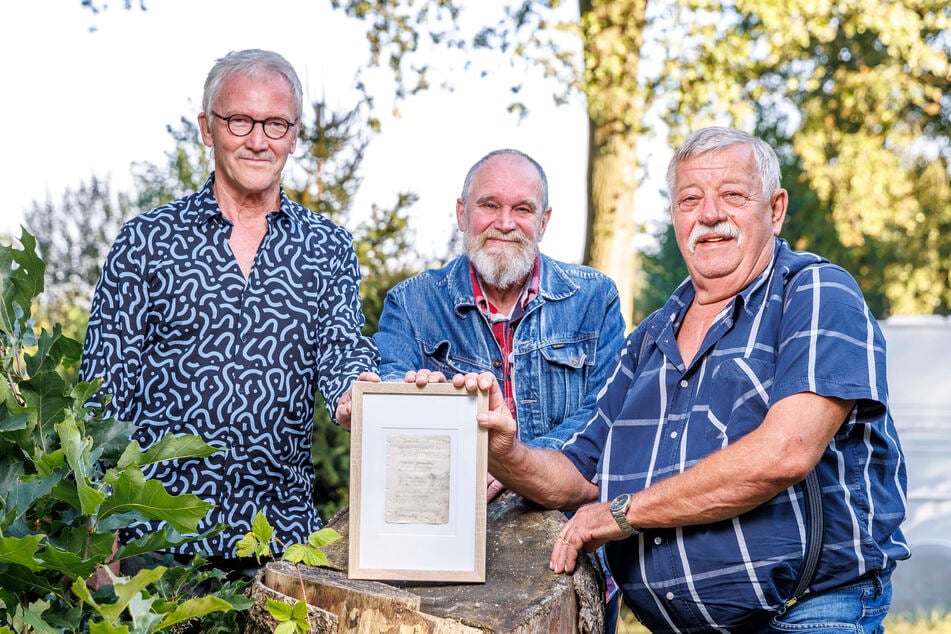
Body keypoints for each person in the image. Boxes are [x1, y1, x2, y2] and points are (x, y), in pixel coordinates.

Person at [450, 127, 909, 632]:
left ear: (775, 209)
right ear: (675, 217)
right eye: (691, 199)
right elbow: (580, 474)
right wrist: (507, 452)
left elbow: (785, 452)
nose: (709, 214)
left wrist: (621, 513)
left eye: (732, 195)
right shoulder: (650, 337)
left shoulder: (815, 292)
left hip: (805, 613)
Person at [80, 49, 377, 575]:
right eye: (240, 120)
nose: (258, 140)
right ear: (207, 128)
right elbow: (105, 393)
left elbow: (342, 350)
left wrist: (359, 396)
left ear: (294, 134)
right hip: (157, 544)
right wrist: (96, 534)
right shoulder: (147, 241)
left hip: (281, 545)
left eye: (276, 123)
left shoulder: (327, 247)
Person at [372, 148, 625, 458]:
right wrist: (420, 402)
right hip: (456, 495)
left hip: (563, 498)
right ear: (461, 213)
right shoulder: (410, 303)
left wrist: (518, 463)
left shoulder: (595, 298)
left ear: (543, 222)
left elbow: (604, 409)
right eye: (489, 205)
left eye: (522, 209)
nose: (505, 223)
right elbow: (389, 396)